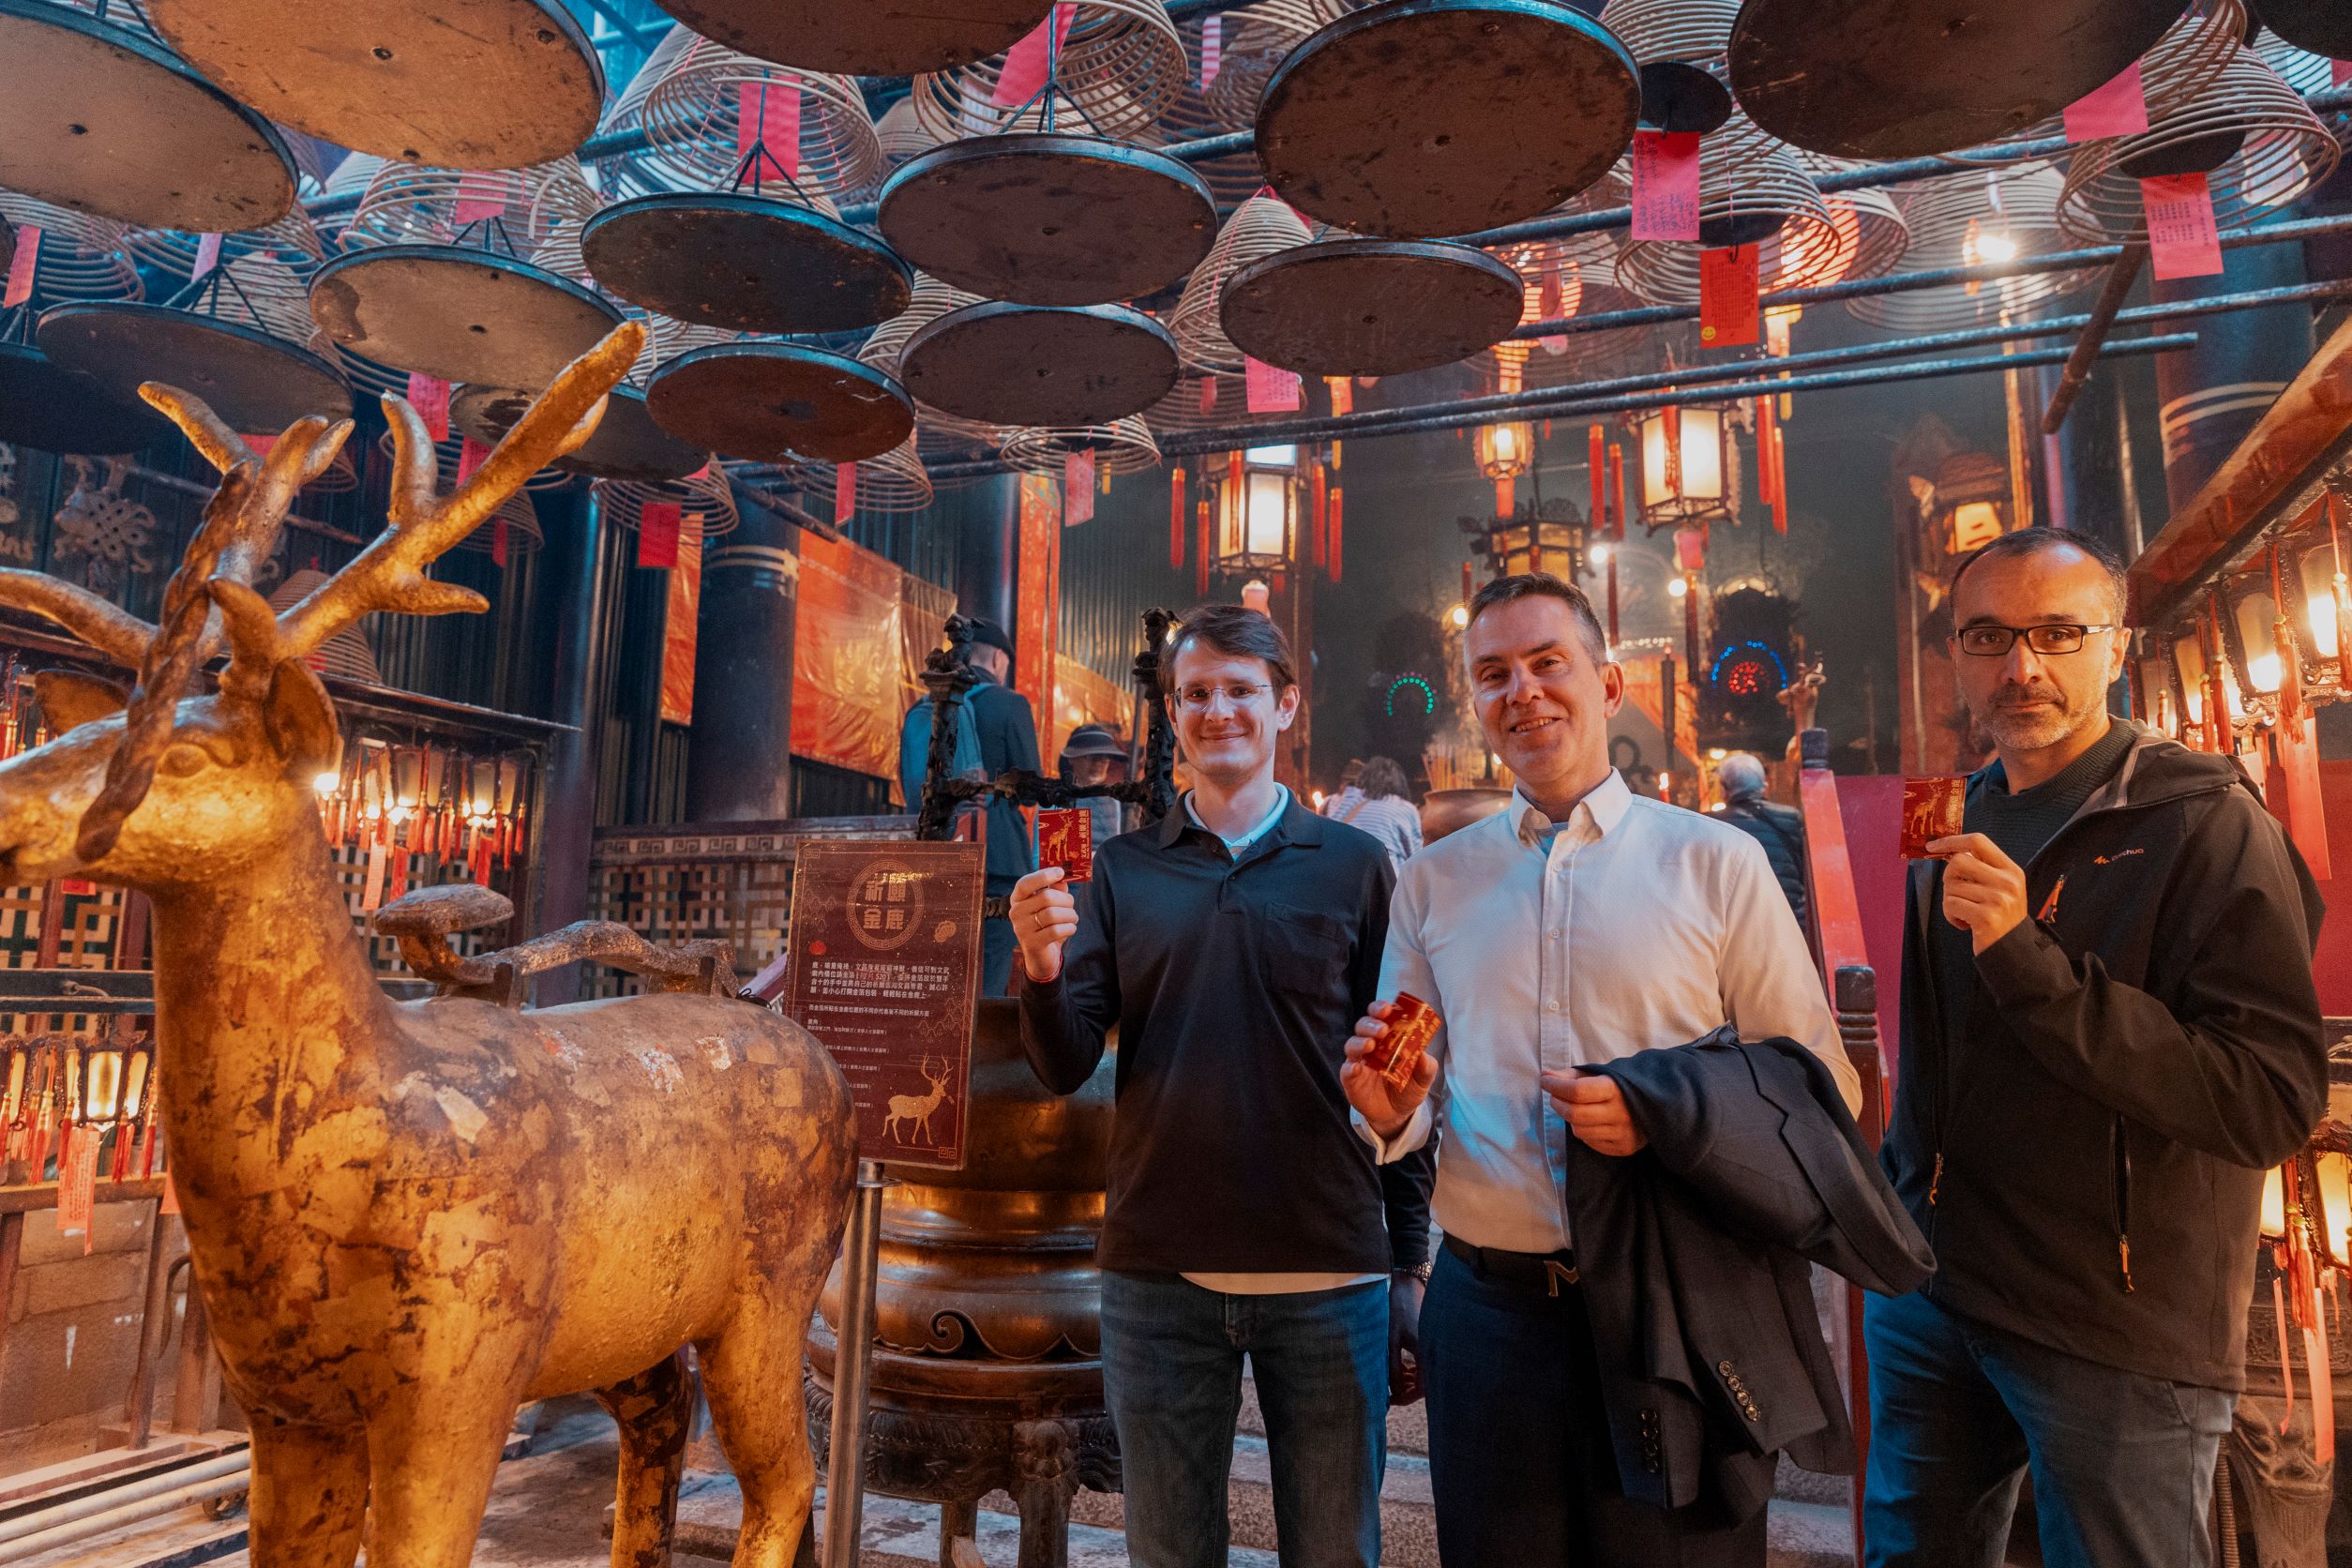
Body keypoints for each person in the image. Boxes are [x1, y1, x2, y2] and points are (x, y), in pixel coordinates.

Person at [1342, 572, 1861, 1568]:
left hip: (1675, 1300)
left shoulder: (1715, 862)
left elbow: (1814, 1084)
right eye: (1494, 673)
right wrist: (1390, 1109)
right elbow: (1408, 1086)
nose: (1523, 691)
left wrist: (1673, 1113)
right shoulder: (1436, 880)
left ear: (1608, 684)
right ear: (1475, 702)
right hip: (1490, 1310)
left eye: (1549, 663)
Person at [1865, 528, 2325, 1568]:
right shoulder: (1953, 812)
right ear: (1957, 657)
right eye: (1989, 636)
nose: (2022, 666)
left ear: (2113, 646)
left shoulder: (2202, 821)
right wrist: (1896, 1220)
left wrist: (2030, 962)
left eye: (2058, 633)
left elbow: (2268, 1097)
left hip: (2114, 1319)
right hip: (1936, 1291)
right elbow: (1928, 1046)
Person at [1009, 605, 1431, 1568]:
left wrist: (1409, 1263)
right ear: (1173, 711)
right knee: (1168, 1553)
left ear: (1285, 706)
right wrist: (1038, 966)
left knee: (1334, 1552)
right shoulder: (1122, 871)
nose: (1218, 712)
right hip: (1161, 1272)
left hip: (1328, 1265)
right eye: (1195, 694)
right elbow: (1065, 1058)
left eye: (1241, 691)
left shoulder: (1357, 868)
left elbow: (1398, 1075)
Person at [898, 617, 1039, 995]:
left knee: (942, 956)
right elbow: (1030, 787)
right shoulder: (1010, 704)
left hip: (937, 852)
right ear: (997, 658)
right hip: (998, 854)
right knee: (990, 963)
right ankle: (980, 1044)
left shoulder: (929, 704)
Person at [1714, 751, 1809, 929]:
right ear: (1764, 786)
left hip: (1738, 925)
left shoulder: (1713, 824)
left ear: (1724, 789)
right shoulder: (1791, 818)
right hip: (1790, 920)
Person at [1327, 755, 1423, 871]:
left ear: (1363, 778)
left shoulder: (1341, 800)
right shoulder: (1404, 808)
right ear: (1399, 783)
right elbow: (1416, 859)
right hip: (1384, 882)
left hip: (1339, 874)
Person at [1058, 721, 1131, 847]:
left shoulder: (1113, 801)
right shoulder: (1057, 799)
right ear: (1072, 759)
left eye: (1104, 757)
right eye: (1090, 756)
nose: (1098, 763)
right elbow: (1046, 859)